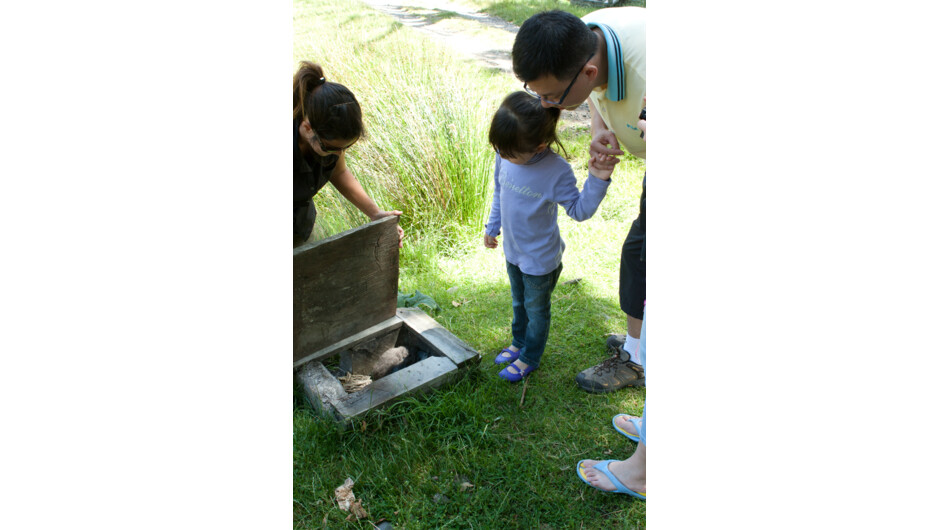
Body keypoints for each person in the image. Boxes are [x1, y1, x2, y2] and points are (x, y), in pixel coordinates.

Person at [511, 7, 646, 393]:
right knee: (639, 255)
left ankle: (638, 361)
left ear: (588, 74)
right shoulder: (588, 34)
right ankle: (640, 344)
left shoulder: (650, 70)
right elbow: (594, 95)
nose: (546, 106)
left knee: (642, 256)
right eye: (536, 93)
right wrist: (602, 123)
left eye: (551, 96)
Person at [483, 91, 612, 382]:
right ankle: (519, 342)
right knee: (518, 302)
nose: (502, 156)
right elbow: (499, 191)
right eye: (499, 150)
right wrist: (492, 226)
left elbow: (579, 210)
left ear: (540, 145)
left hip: (540, 261)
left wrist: (598, 178)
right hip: (513, 252)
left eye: (508, 153)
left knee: (536, 310)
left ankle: (530, 356)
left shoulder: (556, 171)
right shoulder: (505, 152)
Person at [292, 61, 404, 248]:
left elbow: (339, 172)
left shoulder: (329, 143)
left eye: (345, 147)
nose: (339, 154)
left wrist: (375, 213)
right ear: (307, 128)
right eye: (332, 148)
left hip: (300, 225)